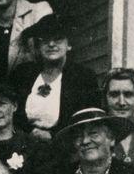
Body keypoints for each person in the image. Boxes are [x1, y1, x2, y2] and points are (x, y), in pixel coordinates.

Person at [10, 14, 101, 142]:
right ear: (38, 46)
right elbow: (13, 114)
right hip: (24, 143)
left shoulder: (83, 77)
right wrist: (30, 132)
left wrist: (53, 135)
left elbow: (86, 119)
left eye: (58, 39)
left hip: (66, 145)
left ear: (69, 45)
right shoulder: (23, 74)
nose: (51, 44)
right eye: (45, 40)